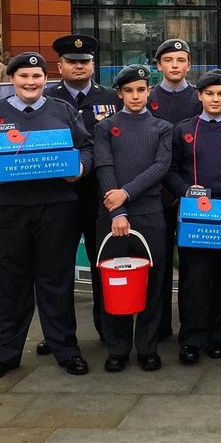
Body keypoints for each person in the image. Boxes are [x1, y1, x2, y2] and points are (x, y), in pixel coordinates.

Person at [0, 52, 94, 381]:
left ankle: (65, 349)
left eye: (36, 77)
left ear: (46, 79)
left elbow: (87, 146)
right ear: (12, 80)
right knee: (12, 284)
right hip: (6, 211)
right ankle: (7, 354)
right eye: (23, 77)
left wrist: (80, 167)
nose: (30, 83)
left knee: (56, 282)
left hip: (56, 209)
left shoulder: (62, 111)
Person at [41, 34, 120, 349]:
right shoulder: (45, 100)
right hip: (57, 198)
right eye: (72, 62)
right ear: (59, 65)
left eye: (84, 61)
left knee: (103, 264)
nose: (78, 66)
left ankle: (108, 329)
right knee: (56, 270)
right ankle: (58, 335)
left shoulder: (113, 98)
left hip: (98, 197)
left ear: (93, 64)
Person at [165, 70, 221, 363]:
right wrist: (186, 190)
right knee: (195, 280)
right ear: (199, 96)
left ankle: (217, 336)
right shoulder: (182, 130)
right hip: (195, 217)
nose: (216, 99)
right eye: (210, 94)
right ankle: (191, 339)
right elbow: (171, 172)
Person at [94, 64, 172, 372]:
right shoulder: (105, 126)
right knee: (116, 282)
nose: (136, 96)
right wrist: (118, 210)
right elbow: (103, 166)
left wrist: (126, 193)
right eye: (129, 91)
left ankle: (147, 347)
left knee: (153, 282)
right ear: (120, 94)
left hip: (150, 213)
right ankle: (118, 347)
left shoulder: (162, 127)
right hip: (113, 216)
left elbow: (161, 166)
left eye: (141, 90)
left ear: (149, 92)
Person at [147, 38, 202, 340]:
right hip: (155, 191)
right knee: (160, 262)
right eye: (169, 60)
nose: (175, 66)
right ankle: (159, 325)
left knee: (192, 265)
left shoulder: (198, 97)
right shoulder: (147, 96)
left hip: (191, 191)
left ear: (189, 65)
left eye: (181, 60)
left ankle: (192, 327)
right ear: (159, 66)